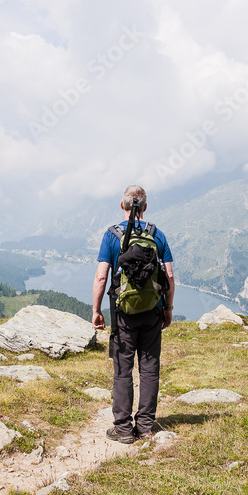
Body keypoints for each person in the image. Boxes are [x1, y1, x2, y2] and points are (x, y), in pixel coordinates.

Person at [92, 185, 175, 443]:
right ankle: (146, 427)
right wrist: (168, 309)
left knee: (123, 370)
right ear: (145, 207)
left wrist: (96, 311)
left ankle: (124, 429)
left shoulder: (111, 235)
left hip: (123, 314)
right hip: (152, 311)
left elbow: (101, 276)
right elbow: (169, 276)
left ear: (122, 205)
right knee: (149, 369)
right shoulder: (157, 234)